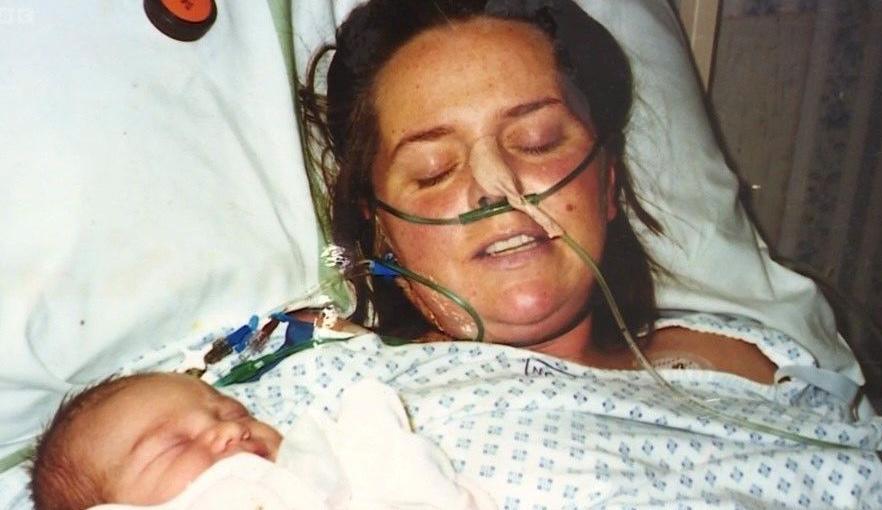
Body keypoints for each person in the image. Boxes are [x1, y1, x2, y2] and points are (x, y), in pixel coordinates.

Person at [301, 0, 776, 383]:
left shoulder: (737, 372)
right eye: (434, 171)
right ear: (382, 231)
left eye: (537, 142)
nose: (496, 188)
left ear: (608, 184)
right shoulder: (336, 382)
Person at [28, 373, 491, 510]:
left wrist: (373, 436)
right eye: (174, 445)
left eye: (234, 413)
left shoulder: (318, 465)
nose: (230, 429)